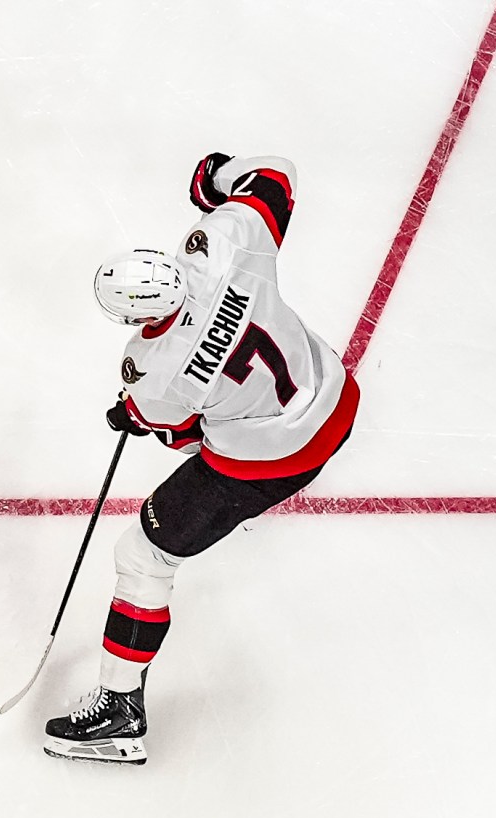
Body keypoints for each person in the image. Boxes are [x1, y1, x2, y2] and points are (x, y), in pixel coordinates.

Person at [52, 152, 359, 764]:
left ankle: (119, 713)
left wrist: (130, 415)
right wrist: (216, 182)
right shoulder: (221, 242)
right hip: (335, 397)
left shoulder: (151, 373)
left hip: (274, 459)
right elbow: (277, 177)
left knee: (143, 553)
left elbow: (175, 432)